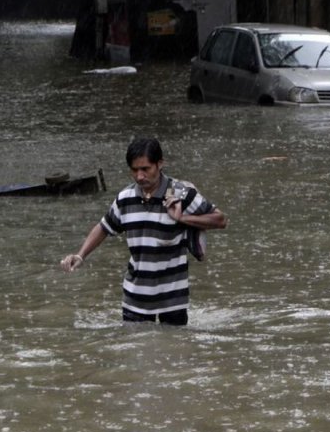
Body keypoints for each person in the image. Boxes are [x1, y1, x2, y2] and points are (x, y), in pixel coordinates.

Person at [60, 137, 227, 326]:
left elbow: (220, 220)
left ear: (160, 164)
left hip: (173, 298)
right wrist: (80, 255)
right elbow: (104, 227)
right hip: (135, 297)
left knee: (175, 350)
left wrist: (182, 219)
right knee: (135, 350)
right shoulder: (125, 199)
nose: (140, 176)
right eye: (134, 170)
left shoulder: (181, 195)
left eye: (145, 169)